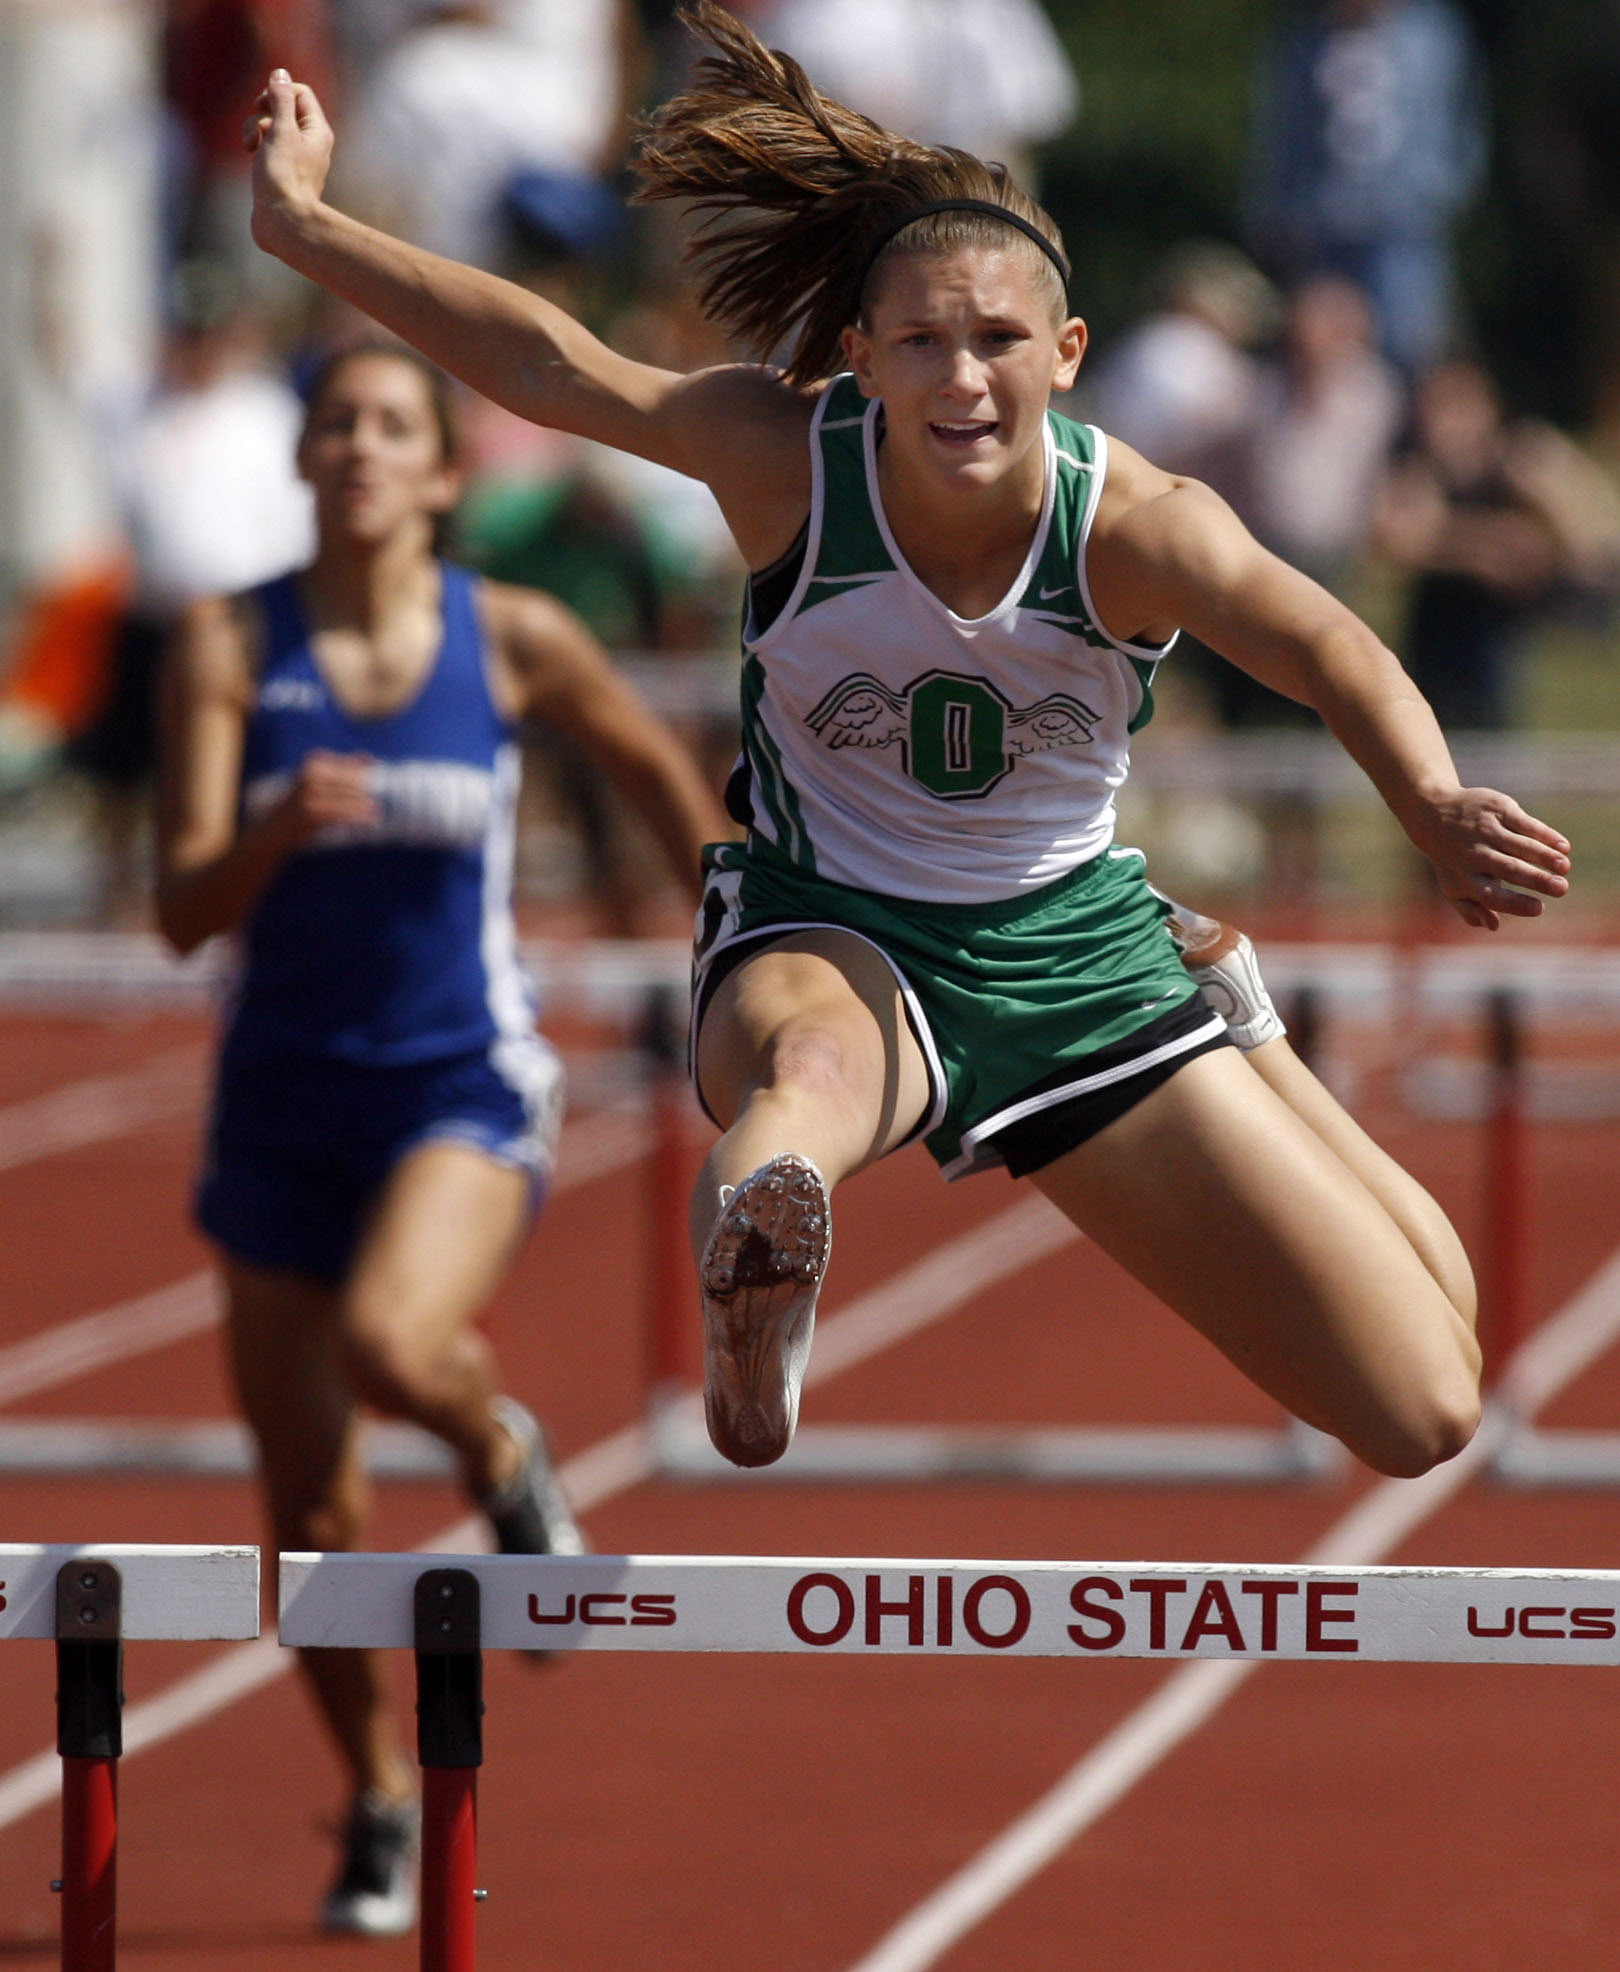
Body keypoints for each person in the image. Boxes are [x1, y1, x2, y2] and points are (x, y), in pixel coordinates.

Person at [240, 8, 1571, 1499]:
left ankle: (1234, 1014)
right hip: (833, 925)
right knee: (801, 1075)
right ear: (860, 354)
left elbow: (1334, 648)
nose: (963, 383)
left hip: (1077, 961)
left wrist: (1433, 797)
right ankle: (762, 1277)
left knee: (1426, 1406)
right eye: (923, 344)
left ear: (1067, 355)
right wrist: (309, 231)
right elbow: (551, 363)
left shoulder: (1140, 528)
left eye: (1001, 342)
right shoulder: (783, 465)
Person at [154, 339, 724, 1934]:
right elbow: (183, 912)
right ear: (300, 460)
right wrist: (274, 827)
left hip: (457, 1078)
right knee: (310, 1511)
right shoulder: (225, 645)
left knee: (400, 1344)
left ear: (444, 471)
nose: (357, 449)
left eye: (391, 426)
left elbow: (649, 765)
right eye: (333, 424)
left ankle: (499, 1446)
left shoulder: (515, 634)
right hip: (279, 1103)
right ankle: (383, 1794)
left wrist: (745, 929)